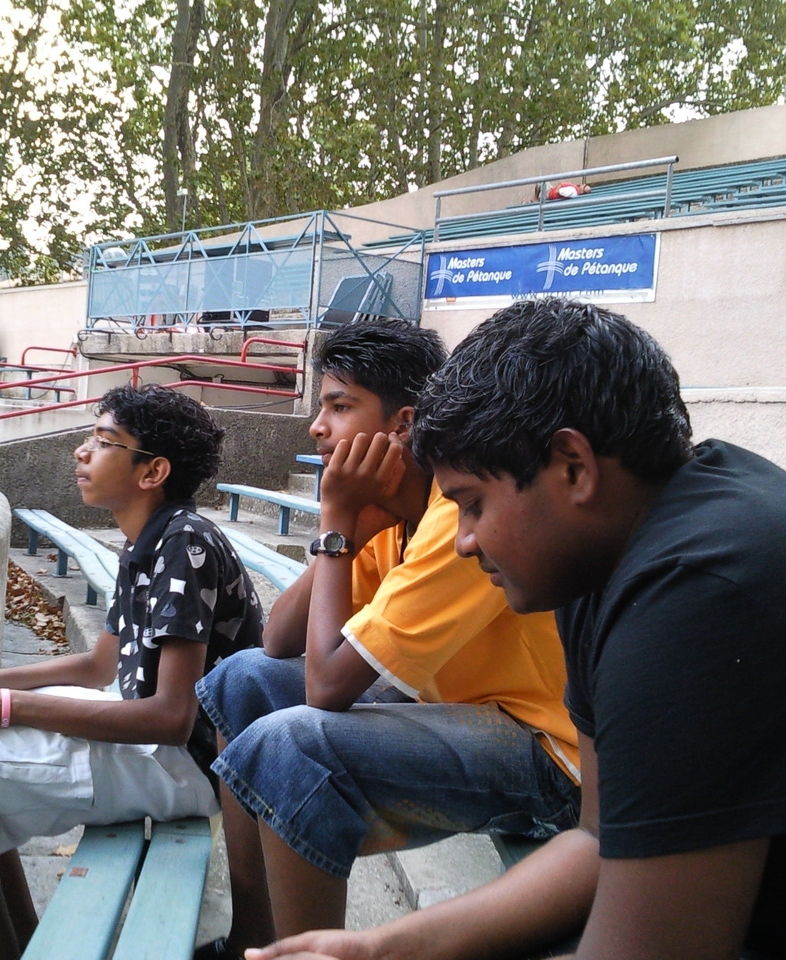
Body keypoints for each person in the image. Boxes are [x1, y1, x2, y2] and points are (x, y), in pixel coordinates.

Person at [252, 297, 786, 960]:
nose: (464, 541)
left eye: (471, 504)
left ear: (573, 466)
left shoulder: (705, 590)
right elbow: (598, 838)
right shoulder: (607, 565)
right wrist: (387, 950)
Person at [195, 319, 580, 959]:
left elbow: (325, 688)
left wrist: (339, 518)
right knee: (243, 680)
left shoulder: (455, 520)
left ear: (402, 425)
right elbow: (280, 643)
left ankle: (305, 950)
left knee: (293, 745)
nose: (317, 426)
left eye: (340, 406)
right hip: (462, 715)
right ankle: (253, 939)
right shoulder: (392, 517)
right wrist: (343, 533)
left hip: (545, 755)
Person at [0, 384, 264, 960]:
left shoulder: (184, 544)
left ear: (152, 471)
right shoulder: (147, 540)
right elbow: (100, 664)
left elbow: (170, 717)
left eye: (103, 441)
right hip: (158, 742)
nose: (81, 452)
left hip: (188, 765)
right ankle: (13, 938)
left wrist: (6, 707)